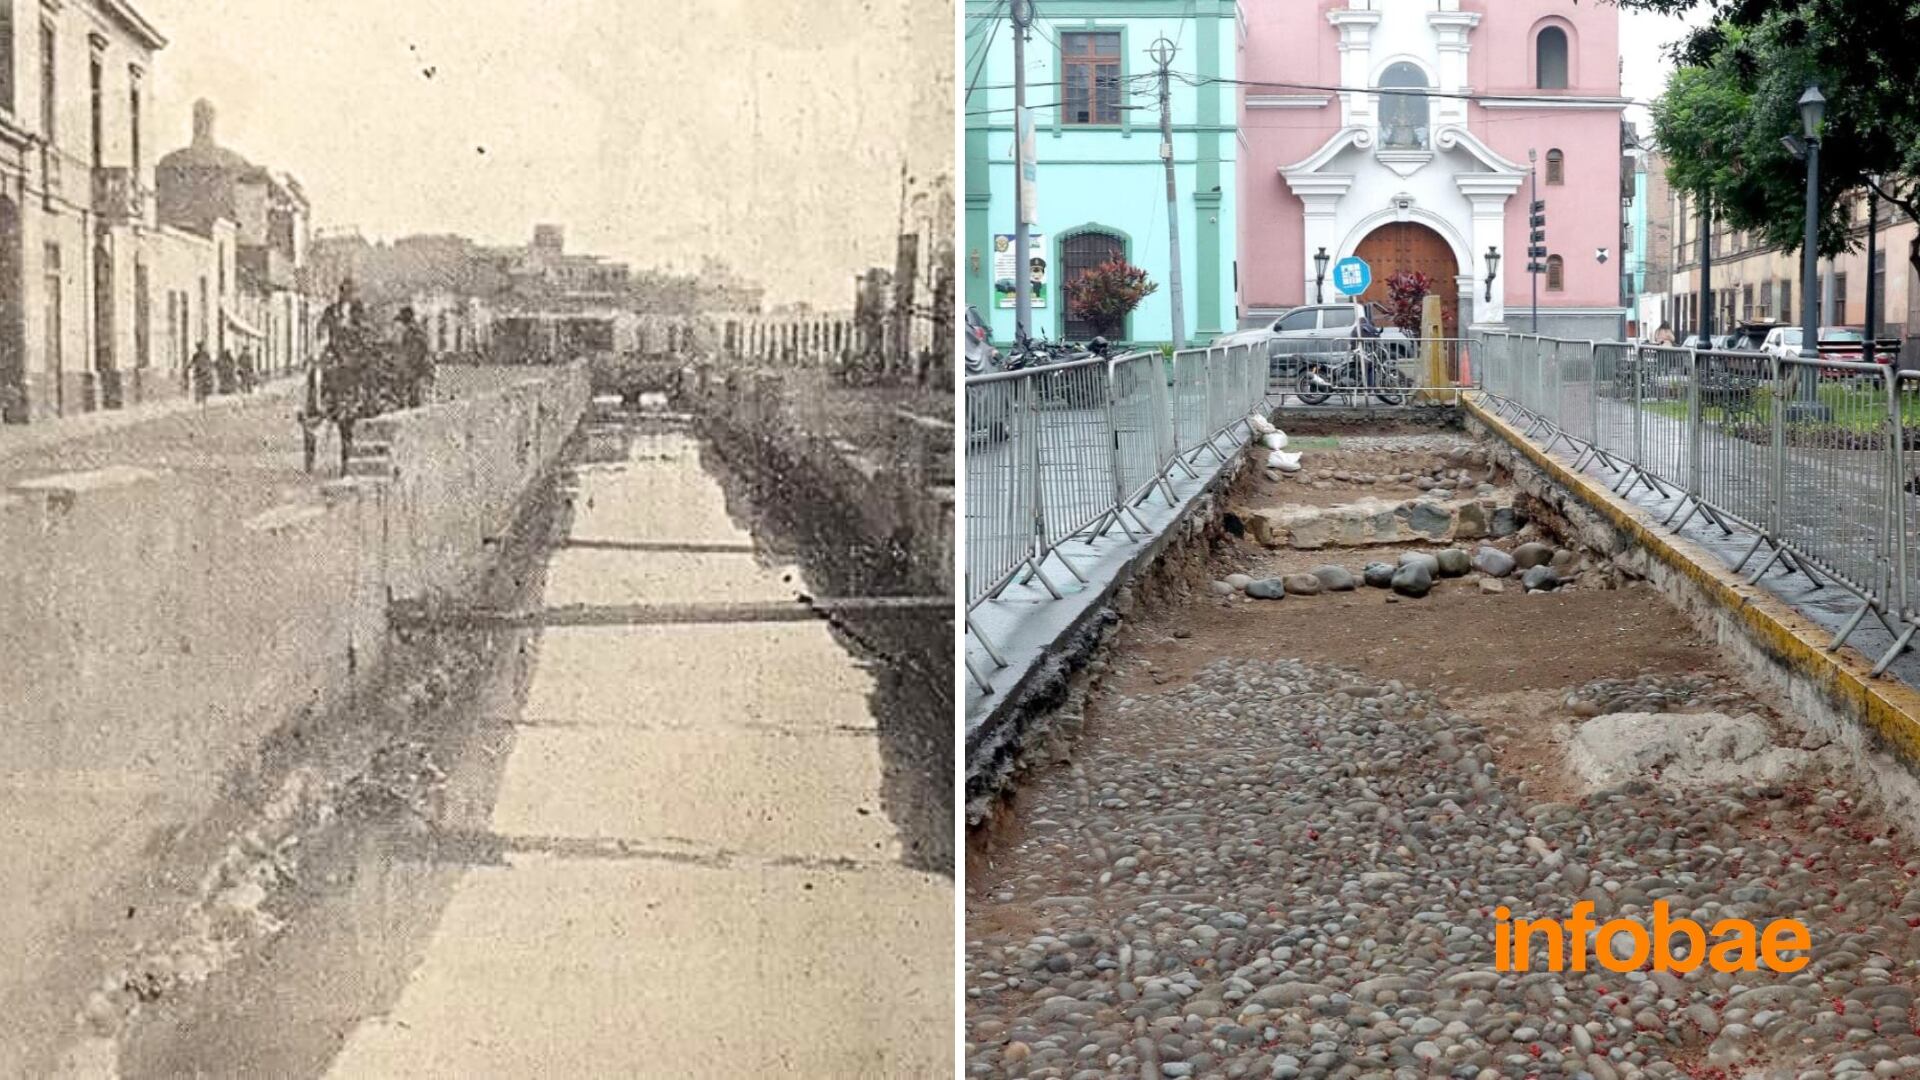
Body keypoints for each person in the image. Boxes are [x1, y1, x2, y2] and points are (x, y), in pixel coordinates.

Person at [395, 306, 434, 408]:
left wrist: (409, 368)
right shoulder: (416, 329)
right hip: (418, 368)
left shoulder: (412, 331)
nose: (401, 323)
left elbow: (415, 352)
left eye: (402, 319)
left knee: (416, 400)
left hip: (417, 369)